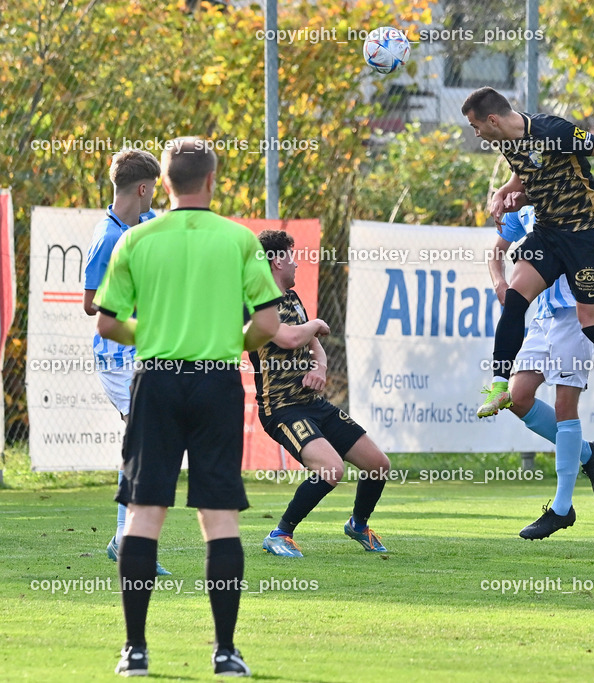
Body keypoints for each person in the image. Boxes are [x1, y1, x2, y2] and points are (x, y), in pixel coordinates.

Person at [95, 137, 283, 677]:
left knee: (144, 513)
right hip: (216, 382)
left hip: (156, 381)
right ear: (211, 180)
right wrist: (230, 342)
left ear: (166, 184)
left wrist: (152, 332)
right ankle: (225, 652)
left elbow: (107, 321)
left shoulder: (138, 238)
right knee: (218, 516)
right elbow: (268, 325)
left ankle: (135, 652)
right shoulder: (237, 240)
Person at [462, 86, 594, 447]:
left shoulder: (552, 130)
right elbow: (523, 178)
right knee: (514, 298)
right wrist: (502, 194)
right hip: (548, 234)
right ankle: (498, 385)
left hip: (588, 238)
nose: (476, 134)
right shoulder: (506, 143)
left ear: (492, 120)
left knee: (593, 326)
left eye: (476, 127)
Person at [253, 230, 392, 557]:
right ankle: (279, 533)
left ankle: (358, 525)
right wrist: (315, 323)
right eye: (291, 255)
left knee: (378, 464)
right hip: (282, 409)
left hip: (312, 403)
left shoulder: (293, 298)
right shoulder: (257, 300)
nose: (297, 263)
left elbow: (314, 346)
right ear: (275, 261)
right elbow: (288, 338)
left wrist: (320, 369)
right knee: (331, 469)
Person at [487, 206, 594, 539]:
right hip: (542, 316)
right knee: (517, 397)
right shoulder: (522, 205)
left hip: (576, 314)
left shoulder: (572, 197)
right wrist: (500, 282)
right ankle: (587, 452)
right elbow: (496, 252)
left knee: (564, 406)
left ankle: (561, 508)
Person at [83, 148, 170, 576]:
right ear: (141, 188)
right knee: (144, 444)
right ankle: (128, 543)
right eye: (153, 188)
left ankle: (124, 540)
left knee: (146, 445)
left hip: (149, 352)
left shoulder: (151, 222)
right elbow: (90, 305)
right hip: (118, 360)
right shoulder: (108, 238)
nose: (155, 195)